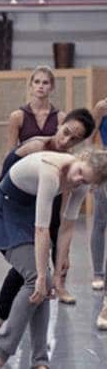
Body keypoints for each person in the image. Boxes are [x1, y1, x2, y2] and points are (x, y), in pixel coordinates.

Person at [0, 149, 107, 369]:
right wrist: (43, 275)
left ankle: (40, 361)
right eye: (80, 172)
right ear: (81, 158)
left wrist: (58, 274)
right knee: (37, 280)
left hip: (29, 215)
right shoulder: (51, 171)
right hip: (4, 212)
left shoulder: (81, 184)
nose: (78, 180)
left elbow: (67, 228)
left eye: (85, 181)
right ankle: (2, 350)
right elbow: (42, 230)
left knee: (46, 285)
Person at [0, 108, 95, 341]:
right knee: (32, 269)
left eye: (74, 139)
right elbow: (5, 181)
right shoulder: (36, 147)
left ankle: (1, 315)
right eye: (66, 132)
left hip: (38, 211)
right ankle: (0, 319)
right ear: (60, 125)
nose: (66, 141)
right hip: (9, 208)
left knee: (32, 268)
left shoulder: (73, 168)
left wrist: (62, 255)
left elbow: (62, 219)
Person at [6, 65, 76, 304]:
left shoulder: (61, 118)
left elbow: (66, 151)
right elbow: (11, 154)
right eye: (37, 82)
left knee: (55, 228)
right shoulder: (18, 117)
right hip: (27, 183)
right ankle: (32, 279)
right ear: (30, 85)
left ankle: (60, 284)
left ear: (52, 87)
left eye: (45, 82)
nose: (40, 87)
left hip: (53, 180)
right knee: (30, 232)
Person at [90, 98, 107, 329]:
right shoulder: (102, 107)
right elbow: (89, 136)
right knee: (100, 221)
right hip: (105, 164)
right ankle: (97, 273)